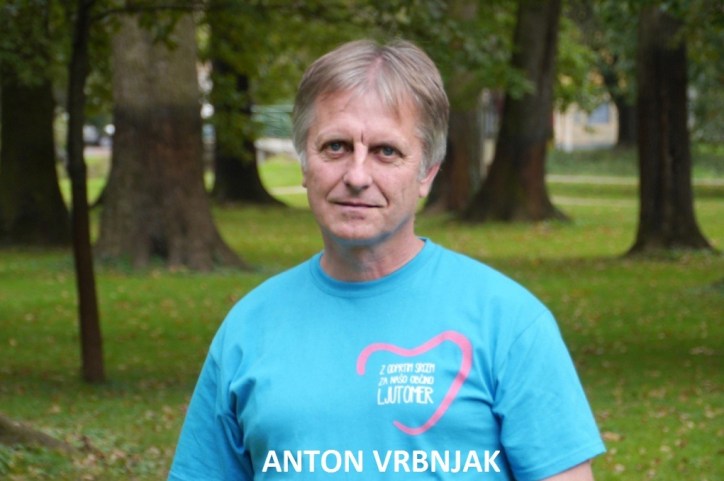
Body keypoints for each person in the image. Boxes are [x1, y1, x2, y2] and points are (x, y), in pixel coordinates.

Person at [168, 39, 605, 481]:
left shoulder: (509, 323)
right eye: (335, 147)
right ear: (304, 163)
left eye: (386, 151)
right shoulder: (248, 328)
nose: (357, 176)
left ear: (427, 172)